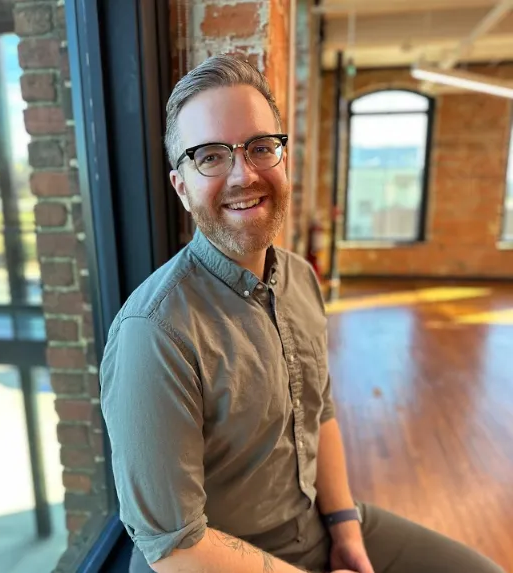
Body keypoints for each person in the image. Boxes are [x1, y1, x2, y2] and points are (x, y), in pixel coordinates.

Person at [100, 55, 504, 573]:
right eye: (210, 157)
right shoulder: (153, 333)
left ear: (283, 159)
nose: (243, 174)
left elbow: (321, 410)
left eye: (261, 147)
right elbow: (177, 549)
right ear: (181, 187)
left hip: (312, 526)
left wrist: (345, 527)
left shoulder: (299, 278)